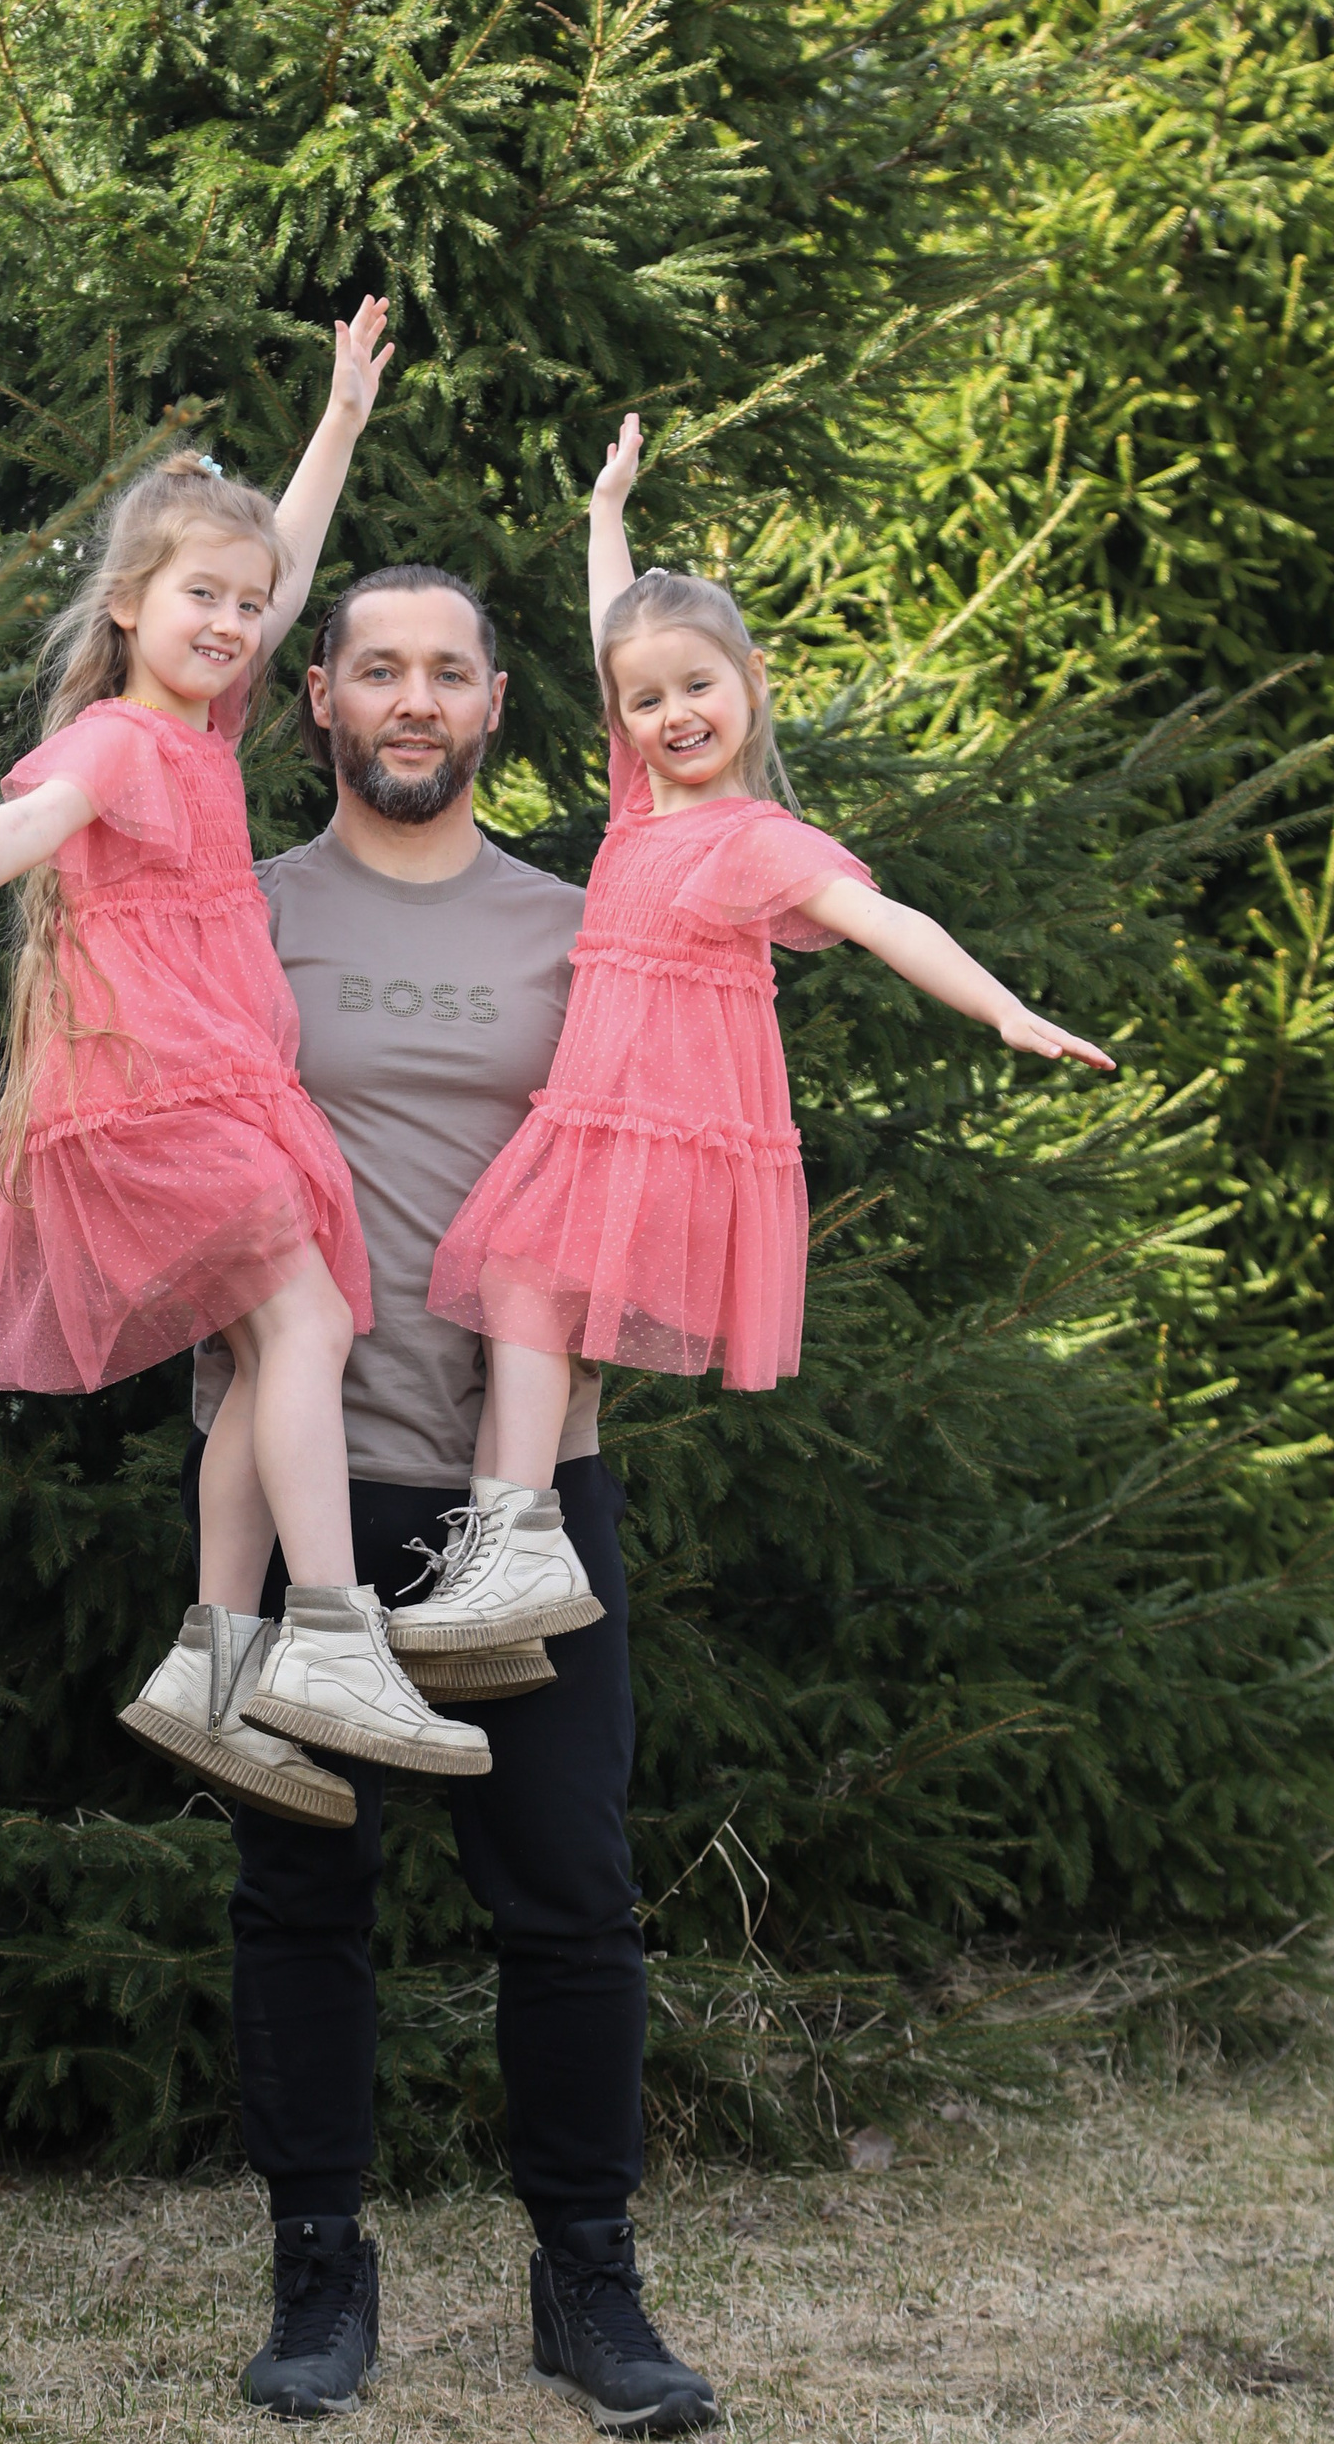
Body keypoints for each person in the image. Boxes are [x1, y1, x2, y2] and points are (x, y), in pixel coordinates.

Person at [0, 300, 489, 1830]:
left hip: (214, 1081)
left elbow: (288, 553)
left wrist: (341, 423)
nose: (232, 623)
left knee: (272, 1351)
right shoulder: (117, 740)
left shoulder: (208, 728)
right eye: (199, 599)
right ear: (127, 606)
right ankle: (333, 1638)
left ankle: (213, 1668)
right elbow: (20, 825)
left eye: (245, 605)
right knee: (307, 1321)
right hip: (154, 1091)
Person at [188, 560, 723, 2435]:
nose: (412, 699)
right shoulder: (239, 914)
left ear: (498, 705)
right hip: (305, 1488)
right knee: (301, 1888)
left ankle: (590, 2283)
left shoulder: (583, 930)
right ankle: (316, 2274)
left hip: (525, 1504)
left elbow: (653, 1168)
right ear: (319, 699)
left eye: (448, 671)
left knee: (571, 1897)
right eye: (377, 669)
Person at [396, 415, 1117, 1650]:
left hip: (667, 1129)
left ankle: (514, 1548)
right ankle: (514, 1550)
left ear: (752, 681)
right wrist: (606, 512)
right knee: (528, 1306)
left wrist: (1003, 1008)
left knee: (521, 1288)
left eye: (698, 688)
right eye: (646, 701)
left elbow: (889, 922)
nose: (673, 714)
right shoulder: (641, 802)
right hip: (601, 1122)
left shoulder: (759, 840)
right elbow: (614, 629)